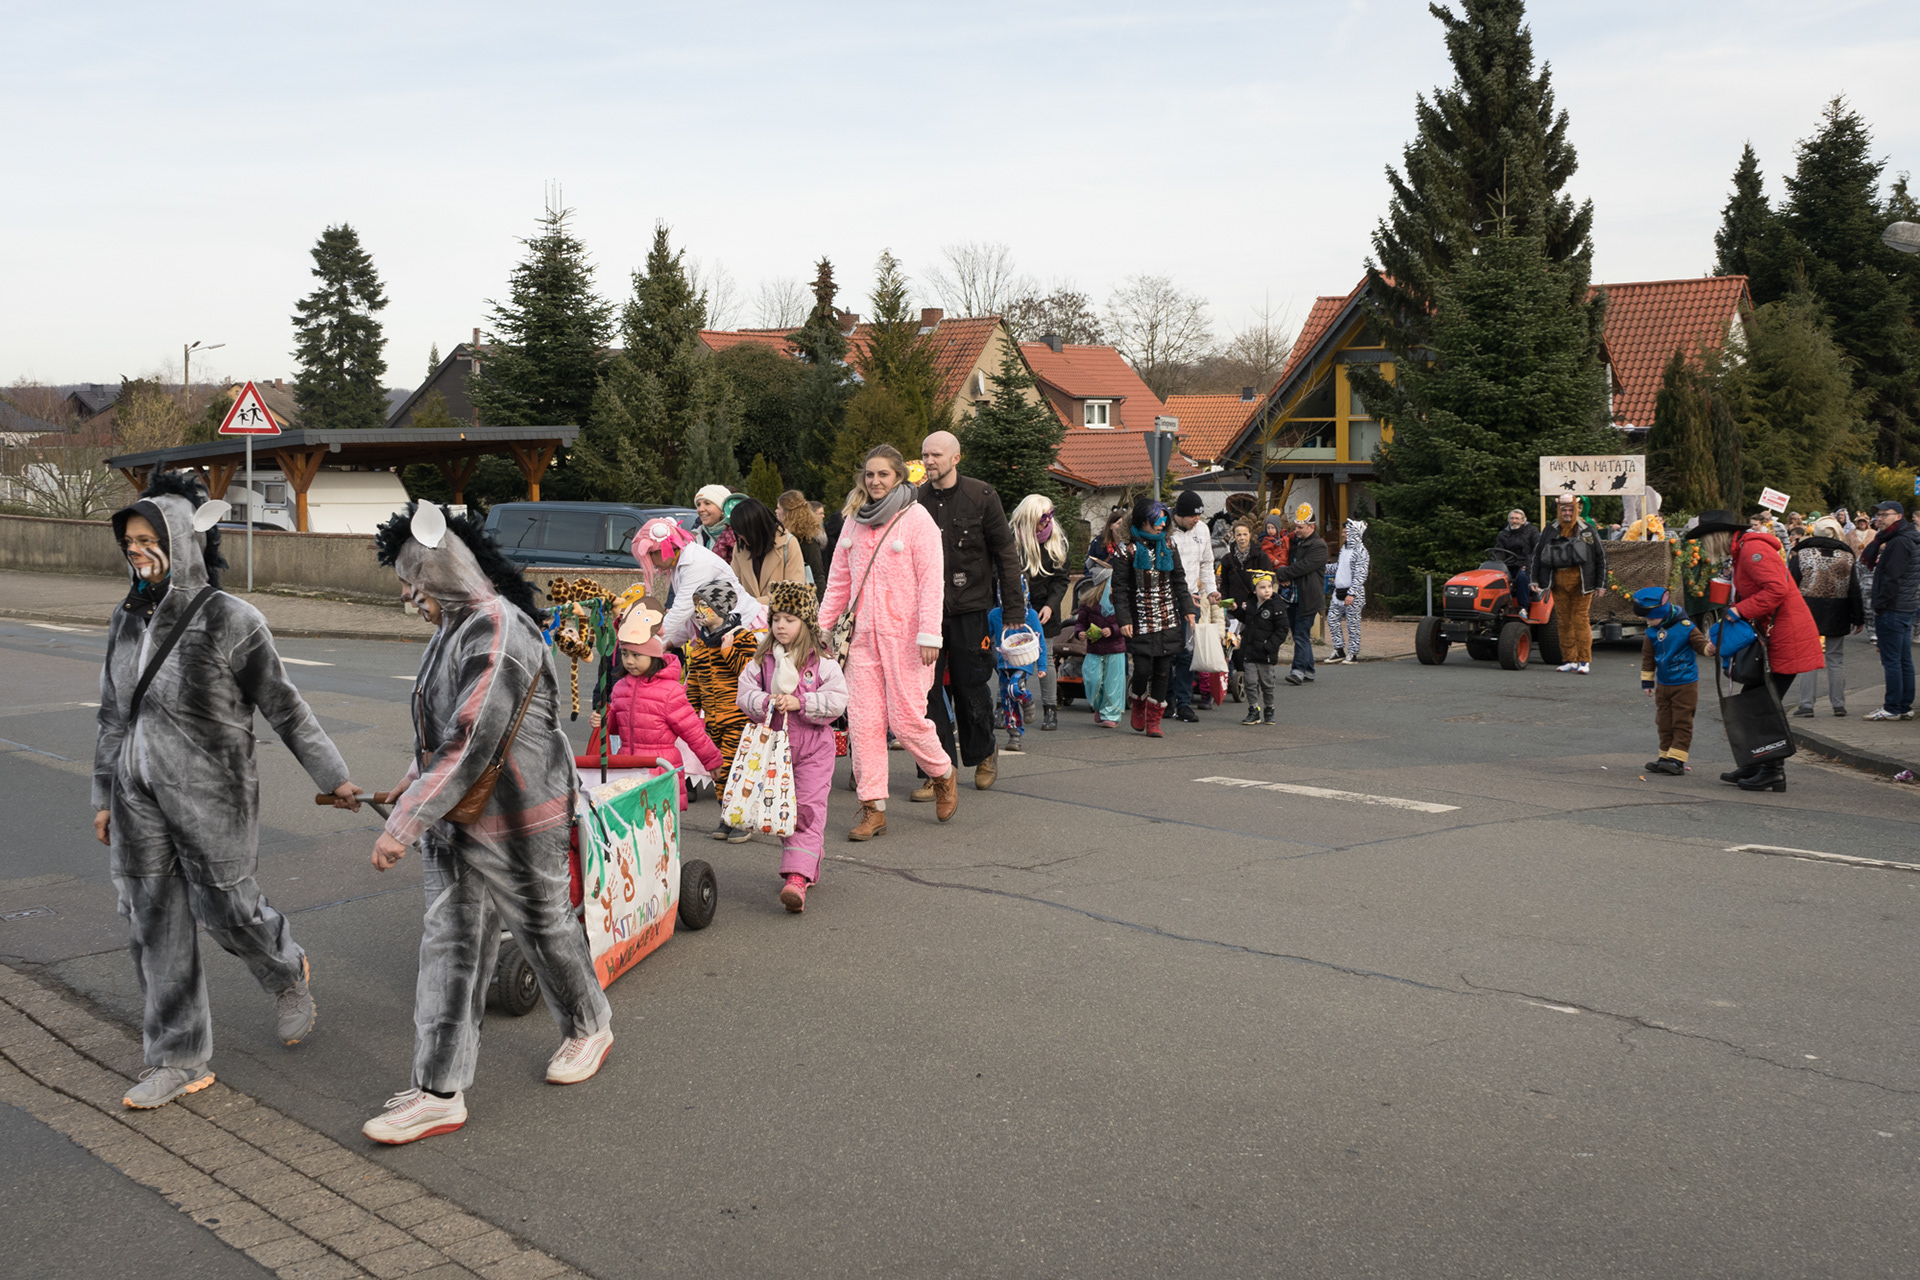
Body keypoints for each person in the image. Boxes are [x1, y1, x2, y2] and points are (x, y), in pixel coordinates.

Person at [93, 473, 358, 1110]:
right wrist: (103, 796)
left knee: (229, 910)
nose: (137, 552)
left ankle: (284, 969)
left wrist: (334, 776)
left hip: (214, 797)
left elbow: (286, 709)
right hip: (137, 797)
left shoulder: (231, 619)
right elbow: (111, 715)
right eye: (130, 542)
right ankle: (178, 1059)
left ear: (182, 542)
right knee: (152, 922)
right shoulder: (125, 619)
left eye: (149, 540)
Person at [363, 502, 612, 1145]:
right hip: (459, 818)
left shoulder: (498, 630)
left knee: (544, 926)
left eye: (412, 582)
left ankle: (589, 1026)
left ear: (440, 569)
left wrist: (403, 822)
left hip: (522, 816)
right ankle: (438, 1091)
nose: (408, 597)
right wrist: (413, 779)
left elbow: (472, 738)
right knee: (450, 943)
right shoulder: (457, 626)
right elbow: (444, 727)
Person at [818, 444, 958, 838]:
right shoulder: (853, 520)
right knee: (864, 725)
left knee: (906, 721)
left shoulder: (916, 518)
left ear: (898, 476)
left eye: (883, 474)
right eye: (870, 474)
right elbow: (839, 581)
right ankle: (872, 808)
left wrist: (930, 634)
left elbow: (932, 582)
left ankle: (942, 772)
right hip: (861, 639)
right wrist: (822, 629)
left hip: (907, 639)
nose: (875, 481)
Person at [917, 430, 1026, 793]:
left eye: (936, 455)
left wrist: (1013, 609)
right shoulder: (916, 501)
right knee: (926, 692)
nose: (929, 461)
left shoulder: (982, 496)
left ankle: (983, 752)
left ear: (956, 458)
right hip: (927, 613)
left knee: (971, 686)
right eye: (925, 455)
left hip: (971, 609)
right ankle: (938, 770)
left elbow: (1005, 554)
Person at [736, 581, 849, 914]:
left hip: (814, 749)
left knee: (808, 810)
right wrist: (765, 701)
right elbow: (744, 693)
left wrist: (803, 702)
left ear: (806, 623)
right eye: (776, 619)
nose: (781, 626)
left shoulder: (821, 661)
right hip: (775, 750)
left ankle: (796, 878)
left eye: (790, 619)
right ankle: (806, 861)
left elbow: (838, 699)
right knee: (784, 812)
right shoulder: (763, 659)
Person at [1691, 509, 1824, 791]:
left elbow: (1777, 589)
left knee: (1762, 704)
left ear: (1715, 536)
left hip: (1785, 634)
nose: (1702, 547)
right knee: (1756, 701)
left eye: (1703, 540)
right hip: (1779, 633)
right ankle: (1755, 764)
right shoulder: (1744, 551)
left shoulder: (1752, 551)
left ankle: (1772, 771)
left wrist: (1740, 610)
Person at [1111, 496, 1198, 738]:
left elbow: (1179, 580)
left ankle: (1154, 720)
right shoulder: (1126, 550)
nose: (1161, 525)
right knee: (1141, 669)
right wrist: (1124, 620)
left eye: (1163, 521)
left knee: (1163, 671)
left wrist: (1188, 609)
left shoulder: (1169, 545)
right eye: (1156, 521)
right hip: (1139, 619)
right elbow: (1119, 590)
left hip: (1168, 617)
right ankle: (1138, 701)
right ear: (1143, 521)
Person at [681, 581, 756, 839]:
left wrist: (728, 651)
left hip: (738, 718)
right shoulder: (700, 644)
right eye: (696, 605)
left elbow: (750, 673)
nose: (698, 611)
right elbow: (694, 684)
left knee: (734, 769)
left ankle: (742, 820)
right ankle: (727, 816)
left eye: (704, 605)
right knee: (717, 772)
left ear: (721, 608)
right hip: (712, 721)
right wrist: (690, 714)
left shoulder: (742, 637)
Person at [630, 514, 765, 648]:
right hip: (725, 633)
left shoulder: (695, 563)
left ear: (661, 550)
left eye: (649, 555)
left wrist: (650, 644)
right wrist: (669, 642)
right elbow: (689, 615)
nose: (652, 563)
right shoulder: (681, 562)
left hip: (744, 631)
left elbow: (681, 611)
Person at [1788, 516, 1865, 718]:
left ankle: (1806, 705)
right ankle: (1839, 704)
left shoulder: (1803, 554)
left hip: (1807, 609)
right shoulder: (1847, 557)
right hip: (1838, 609)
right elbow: (1854, 589)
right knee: (1835, 658)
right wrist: (1858, 617)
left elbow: (1791, 585)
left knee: (1808, 658)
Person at [1010, 494, 1071, 732]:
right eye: (1042, 518)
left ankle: (1050, 709)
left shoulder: (1056, 540)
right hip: (1017, 608)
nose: (1047, 522)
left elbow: (1061, 580)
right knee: (1011, 659)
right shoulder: (1011, 539)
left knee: (1046, 660)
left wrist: (1051, 605)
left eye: (1049, 516)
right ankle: (1006, 705)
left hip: (1045, 609)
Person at [1631, 587, 1707, 776]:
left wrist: (1709, 649)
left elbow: (1700, 644)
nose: (1648, 622)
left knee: (1682, 721)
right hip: (1664, 685)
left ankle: (1677, 760)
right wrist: (1647, 682)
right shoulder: (1652, 632)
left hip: (1685, 683)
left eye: (1651, 618)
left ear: (1662, 614)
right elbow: (1648, 657)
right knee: (1663, 721)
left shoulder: (1686, 627)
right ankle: (1665, 756)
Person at [1531, 493, 1604, 674]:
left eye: (1571, 509)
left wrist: (1600, 584)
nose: (1567, 513)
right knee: (1563, 621)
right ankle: (1569, 659)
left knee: (1580, 620)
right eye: (1564, 509)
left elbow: (1600, 556)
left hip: (1581, 583)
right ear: (1559, 510)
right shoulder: (1550, 529)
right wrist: (1534, 579)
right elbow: (1538, 555)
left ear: (1577, 509)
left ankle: (1584, 660)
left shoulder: (1587, 529)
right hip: (1558, 582)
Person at [1861, 501, 1920, 721]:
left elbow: (1892, 578)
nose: (1880, 519)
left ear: (1898, 516)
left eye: (1885, 515)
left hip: (1893, 608)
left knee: (1892, 660)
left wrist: (1880, 605)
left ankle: (1893, 707)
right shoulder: (1906, 538)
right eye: (1878, 515)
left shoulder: (1899, 542)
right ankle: (1903, 706)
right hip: (1904, 606)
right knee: (1903, 659)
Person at [987, 596, 1048, 753]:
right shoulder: (995, 614)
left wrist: (1042, 665)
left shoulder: (1031, 615)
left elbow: (1039, 640)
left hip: (1023, 663)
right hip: (1004, 664)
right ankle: (1014, 734)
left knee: (1014, 689)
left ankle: (1027, 700)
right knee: (1007, 700)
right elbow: (985, 635)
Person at [1274, 509, 1327, 686]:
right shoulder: (1294, 541)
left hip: (1308, 598)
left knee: (1301, 634)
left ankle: (1297, 671)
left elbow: (1302, 567)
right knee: (1299, 633)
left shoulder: (1319, 546)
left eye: (1300, 527)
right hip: (1291, 597)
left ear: (1311, 527)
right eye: (1296, 526)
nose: (1296, 530)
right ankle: (1309, 669)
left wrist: (1281, 574)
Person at [1069, 566, 1127, 727]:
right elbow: (1080, 622)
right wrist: (1080, 632)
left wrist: (1113, 630)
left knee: (1113, 683)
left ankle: (1111, 715)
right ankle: (1100, 706)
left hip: (1115, 649)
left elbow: (1126, 623)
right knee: (1092, 680)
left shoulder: (1121, 601)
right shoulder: (1088, 603)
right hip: (1095, 648)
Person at [729, 496, 807, 604]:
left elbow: (793, 590)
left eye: (744, 532)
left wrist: (753, 603)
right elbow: (733, 587)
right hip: (748, 614)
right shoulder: (740, 548)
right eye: (738, 533)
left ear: (757, 527)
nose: (740, 536)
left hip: (780, 613)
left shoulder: (788, 543)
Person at [1237, 572, 1286, 726]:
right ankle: (1253, 710)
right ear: (1254, 590)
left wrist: (1269, 646)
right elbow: (1246, 619)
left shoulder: (1277, 606)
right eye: (1262, 587)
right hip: (1250, 651)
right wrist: (1235, 609)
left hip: (1266, 653)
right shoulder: (1251, 604)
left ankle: (1269, 709)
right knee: (1250, 682)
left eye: (1269, 587)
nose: (1267, 590)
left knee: (1267, 684)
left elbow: (1282, 630)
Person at [1329, 517, 1370, 663]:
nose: (1342, 534)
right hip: (1338, 592)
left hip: (1353, 595)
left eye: (1346, 532)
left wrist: (1351, 593)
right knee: (1332, 619)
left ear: (1354, 533)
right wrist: (1321, 568)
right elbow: (1338, 568)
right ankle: (1339, 649)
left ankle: (1353, 653)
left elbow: (1360, 575)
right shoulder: (1344, 549)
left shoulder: (1361, 552)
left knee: (1353, 625)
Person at [778, 489, 828, 587]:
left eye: (779, 508)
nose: (776, 512)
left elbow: (817, 574)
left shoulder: (807, 540)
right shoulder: (782, 536)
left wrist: (819, 597)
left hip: (803, 592)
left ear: (788, 513)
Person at [692, 484, 735, 557]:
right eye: (698, 505)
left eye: (707, 503)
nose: (700, 509)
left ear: (723, 508)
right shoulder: (693, 538)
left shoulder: (740, 537)